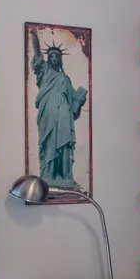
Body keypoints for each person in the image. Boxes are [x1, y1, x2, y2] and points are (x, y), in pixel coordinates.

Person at [32, 39, 89, 184]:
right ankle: (49, 175)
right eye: (51, 56)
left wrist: (81, 96)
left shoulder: (65, 78)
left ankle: (65, 176)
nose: (54, 58)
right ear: (48, 59)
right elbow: (38, 56)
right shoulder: (44, 72)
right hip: (48, 113)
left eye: (57, 56)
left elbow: (74, 98)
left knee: (64, 144)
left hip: (64, 115)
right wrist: (35, 39)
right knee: (49, 143)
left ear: (60, 59)